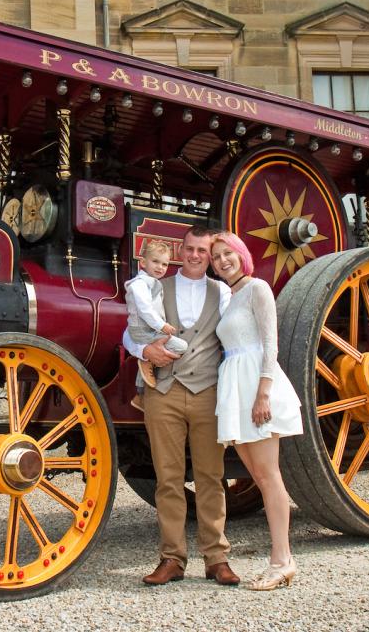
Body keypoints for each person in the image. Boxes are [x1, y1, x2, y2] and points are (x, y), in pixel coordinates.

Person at [123, 226, 240, 587]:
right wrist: (144, 351)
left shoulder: (221, 291)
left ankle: (217, 558)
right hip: (164, 393)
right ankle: (172, 559)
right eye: (189, 248)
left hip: (208, 391)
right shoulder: (155, 286)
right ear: (180, 251)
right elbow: (130, 330)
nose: (193, 255)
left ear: (210, 255)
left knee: (210, 477)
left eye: (202, 251)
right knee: (168, 480)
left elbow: (237, 335)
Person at [209, 231, 303, 591]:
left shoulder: (257, 288)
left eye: (227, 253)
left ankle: (282, 561)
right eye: (216, 257)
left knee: (269, 476)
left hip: (255, 384)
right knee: (260, 478)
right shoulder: (229, 297)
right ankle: (281, 560)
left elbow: (269, 342)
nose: (222, 261)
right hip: (235, 382)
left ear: (241, 254)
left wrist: (264, 392)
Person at [125, 239, 188, 411]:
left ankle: (140, 395)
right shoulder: (139, 284)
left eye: (165, 264)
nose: (160, 267)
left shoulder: (153, 283)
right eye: (155, 262)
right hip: (143, 330)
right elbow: (145, 310)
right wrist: (163, 326)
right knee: (181, 346)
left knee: (160, 353)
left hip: (146, 330)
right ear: (143, 262)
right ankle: (146, 361)